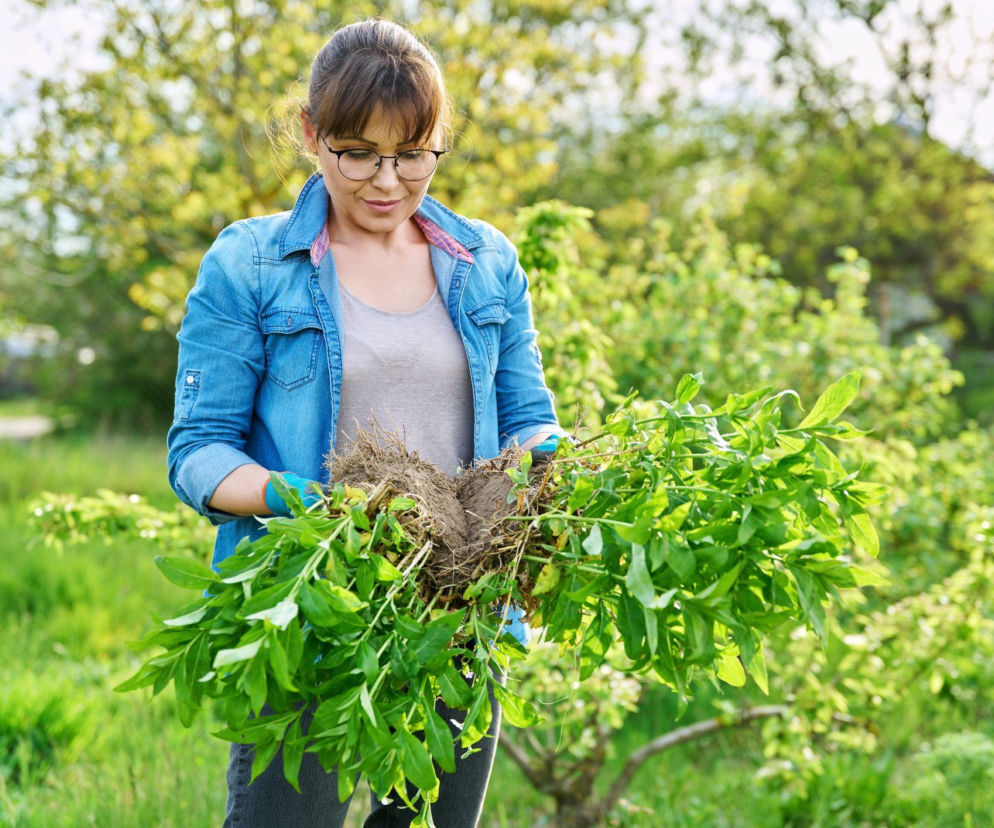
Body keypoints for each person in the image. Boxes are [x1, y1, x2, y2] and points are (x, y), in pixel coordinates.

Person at [166, 17, 566, 828]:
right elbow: (198, 451)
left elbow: (528, 419)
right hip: (310, 610)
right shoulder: (249, 265)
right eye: (358, 152)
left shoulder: (486, 262)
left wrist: (566, 470)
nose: (387, 181)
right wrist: (301, 502)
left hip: (457, 614)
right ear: (313, 135)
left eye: (413, 153)